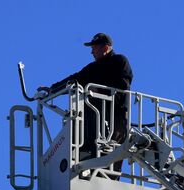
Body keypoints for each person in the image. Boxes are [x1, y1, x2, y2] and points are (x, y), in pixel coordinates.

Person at [50, 33, 133, 169]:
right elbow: (75, 79)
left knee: (112, 162)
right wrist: (52, 89)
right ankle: (86, 152)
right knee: (94, 154)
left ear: (106, 47)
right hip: (96, 119)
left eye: (94, 48)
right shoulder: (93, 67)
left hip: (116, 117)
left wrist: (98, 91)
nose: (91, 52)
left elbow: (122, 87)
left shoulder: (119, 61)